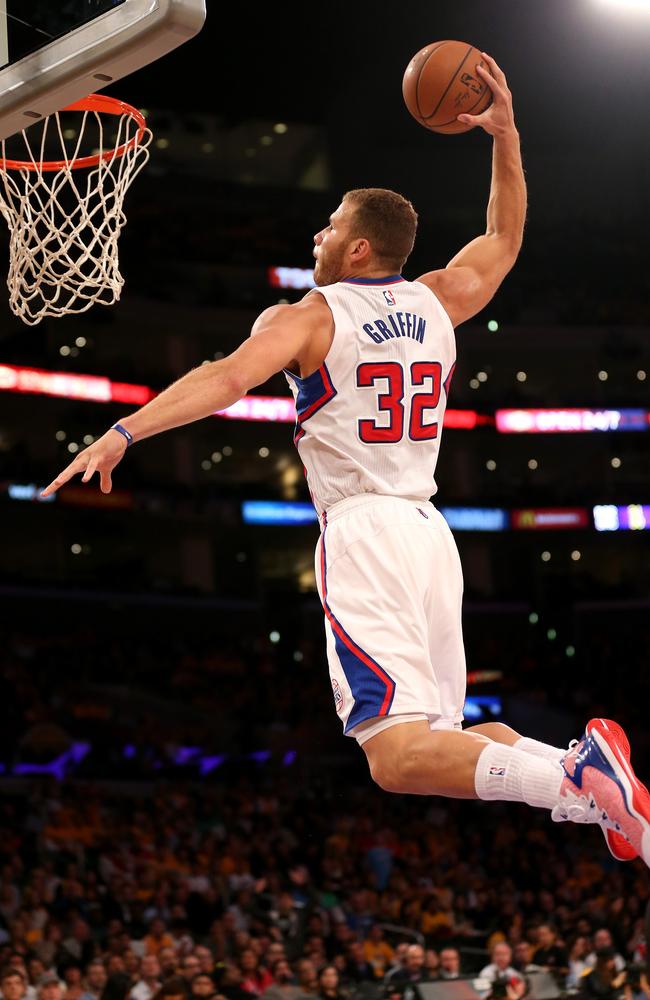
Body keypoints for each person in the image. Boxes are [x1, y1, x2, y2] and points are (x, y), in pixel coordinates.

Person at [41, 54, 650, 865]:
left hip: (364, 532)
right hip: (431, 536)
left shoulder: (310, 315)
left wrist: (123, 432)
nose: (317, 234)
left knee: (395, 758)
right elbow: (504, 236)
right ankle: (604, 801)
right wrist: (505, 135)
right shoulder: (442, 297)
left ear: (359, 248)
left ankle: (576, 780)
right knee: (452, 742)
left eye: (328, 225)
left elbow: (224, 378)